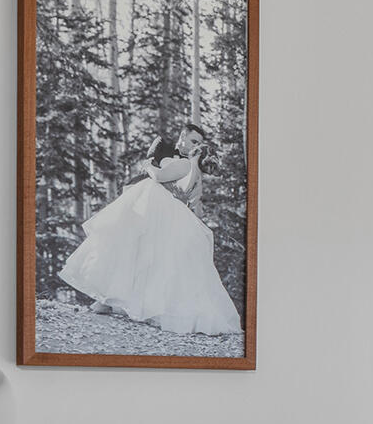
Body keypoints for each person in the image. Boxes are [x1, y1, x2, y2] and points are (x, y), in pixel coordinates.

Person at [60, 126, 241, 335]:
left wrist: (148, 165)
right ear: (182, 136)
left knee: (144, 255)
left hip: (159, 208)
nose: (196, 145)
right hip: (151, 206)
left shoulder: (185, 163)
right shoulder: (179, 160)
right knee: (135, 252)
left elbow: (160, 177)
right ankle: (109, 299)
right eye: (193, 140)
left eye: (198, 143)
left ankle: (125, 304)